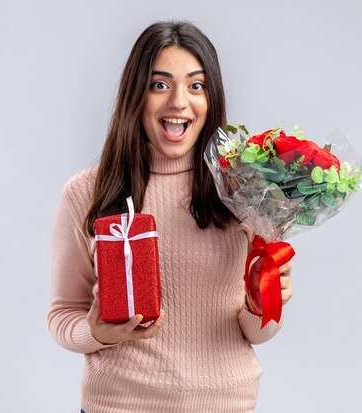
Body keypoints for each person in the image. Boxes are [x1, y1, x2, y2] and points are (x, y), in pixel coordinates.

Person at [48, 20, 293, 413]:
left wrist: (262, 303)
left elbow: (257, 332)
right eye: (159, 84)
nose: (179, 101)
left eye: (196, 85)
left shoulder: (245, 192)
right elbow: (63, 316)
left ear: (211, 99)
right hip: (119, 406)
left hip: (227, 404)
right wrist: (96, 332)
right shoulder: (86, 193)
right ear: (136, 96)